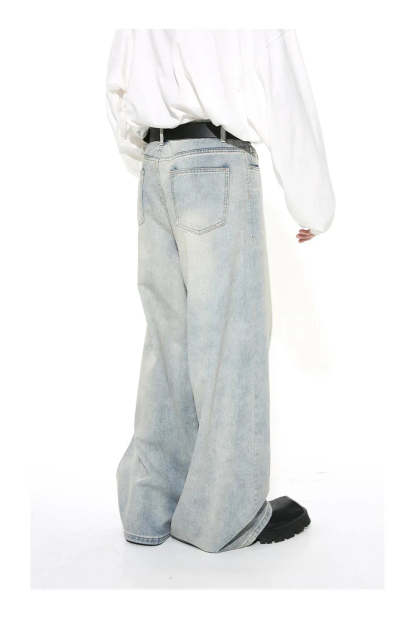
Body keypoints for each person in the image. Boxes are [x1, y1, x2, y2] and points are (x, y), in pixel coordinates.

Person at [106, 29, 335, 553]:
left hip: (157, 164)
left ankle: (148, 509)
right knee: (231, 348)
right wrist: (313, 205)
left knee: (167, 346)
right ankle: (225, 518)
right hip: (216, 161)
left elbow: (116, 86)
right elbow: (282, 86)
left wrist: (147, 161)